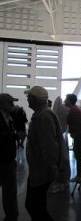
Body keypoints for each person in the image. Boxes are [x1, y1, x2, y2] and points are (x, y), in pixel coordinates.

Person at [24, 86, 62, 221]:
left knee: (33, 206)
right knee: (37, 206)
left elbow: (49, 145)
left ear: (36, 99)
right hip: (40, 169)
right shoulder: (42, 114)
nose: (27, 99)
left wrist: (52, 167)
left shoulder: (43, 116)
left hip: (42, 170)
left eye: (29, 97)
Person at [0, 93, 19, 221]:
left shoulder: (9, 117)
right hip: (1, 160)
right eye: (10, 102)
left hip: (9, 160)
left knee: (10, 191)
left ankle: (12, 215)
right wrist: (15, 136)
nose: (13, 104)